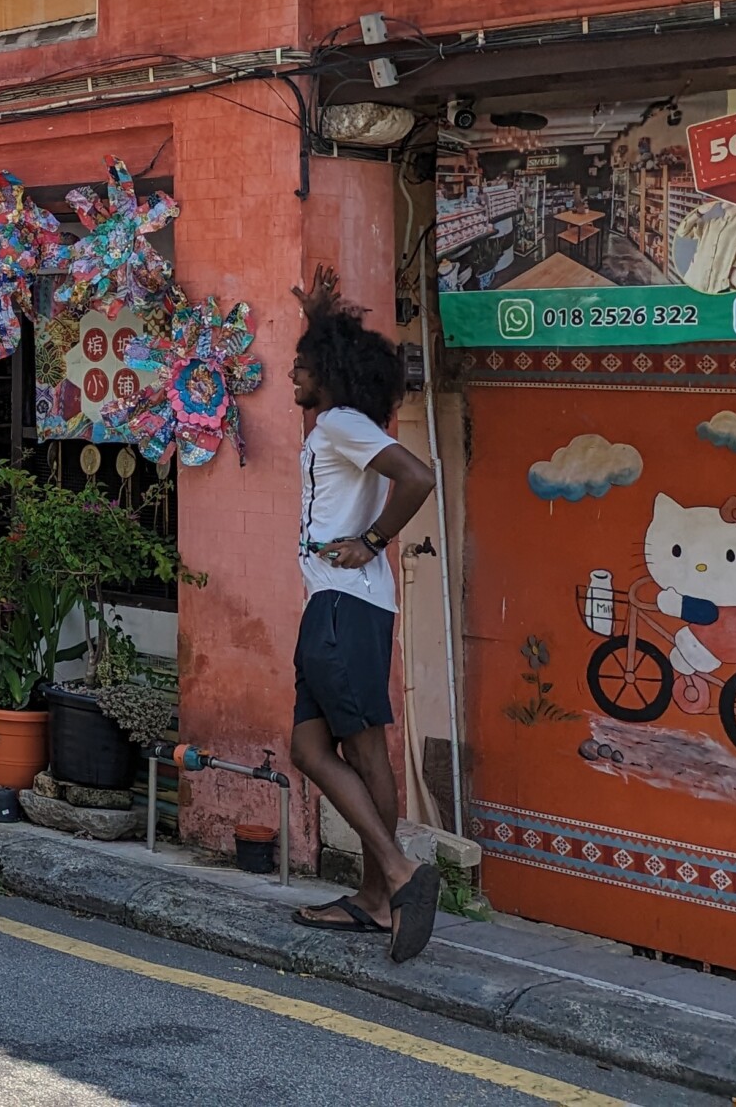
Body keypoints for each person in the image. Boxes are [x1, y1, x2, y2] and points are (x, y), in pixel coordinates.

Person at [286, 268, 442, 962]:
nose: (293, 371)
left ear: (330, 372)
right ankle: (378, 897)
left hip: (344, 608)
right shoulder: (338, 428)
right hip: (340, 605)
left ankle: (397, 879)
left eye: (304, 362)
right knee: (311, 750)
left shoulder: (340, 423)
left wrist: (372, 541)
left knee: (362, 749)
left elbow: (420, 476)